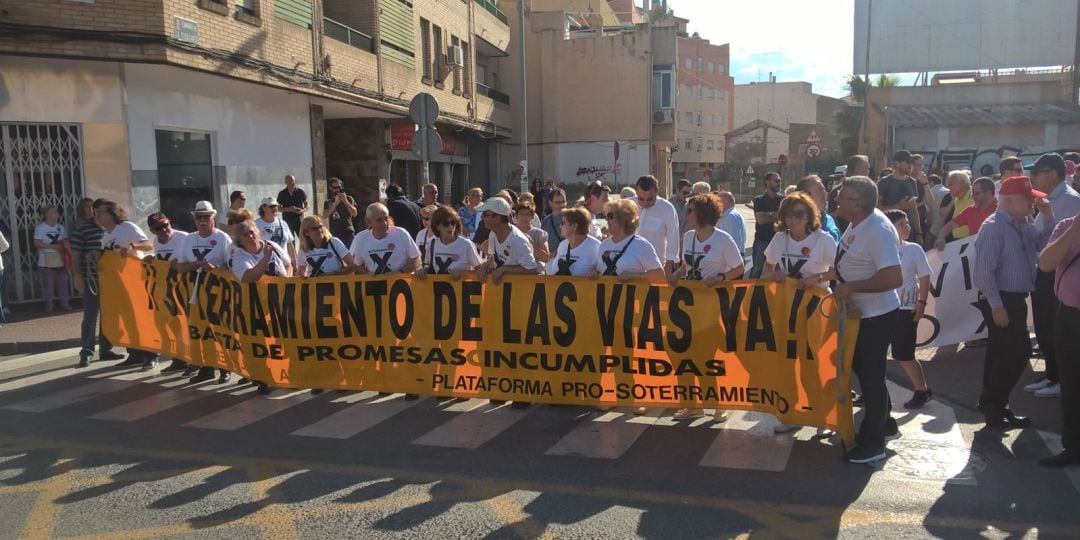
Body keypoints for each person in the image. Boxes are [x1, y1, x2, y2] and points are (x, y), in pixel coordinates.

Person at [974, 175, 1053, 430]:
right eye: (1029, 199)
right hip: (1002, 298)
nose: (1033, 204)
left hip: (1013, 298)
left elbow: (1043, 243)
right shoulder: (994, 227)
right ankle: (994, 405)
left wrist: (1048, 217)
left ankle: (994, 403)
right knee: (1013, 354)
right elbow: (984, 273)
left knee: (1005, 354)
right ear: (1011, 201)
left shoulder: (1021, 223)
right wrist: (997, 305)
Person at [833, 176, 903, 464]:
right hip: (861, 314)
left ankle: (873, 444)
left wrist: (852, 287)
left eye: (842, 197)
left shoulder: (877, 230)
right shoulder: (860, 222)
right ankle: (885, 424)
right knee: (865, 371)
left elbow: (893, 277)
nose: (837, 200)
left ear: (858, 204)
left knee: (871, 378)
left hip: (876, 316)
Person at [667, 193, 744, 422]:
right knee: (684, 356)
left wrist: (720, 277)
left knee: (708, 357)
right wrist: (676, 274)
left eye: (689, 211)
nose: (686, 215)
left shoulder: (722, 240)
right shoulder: (689, 236)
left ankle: (719, 403)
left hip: (711, 307)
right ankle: (692, 405)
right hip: (687, 307)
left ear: (701, 214)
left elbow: (739, 268)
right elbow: (686, 265)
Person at [587, 198, 664, 415]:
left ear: (623, 220)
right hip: (608, 306)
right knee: (611, 353)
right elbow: (602, 271)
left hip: (633, 308)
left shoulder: (640, 244)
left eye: (611, 216)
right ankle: (617, 393)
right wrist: (595, 273)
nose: (607, 221)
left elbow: (659, 275)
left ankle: (638, 396)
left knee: (631, 354)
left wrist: (635, 276)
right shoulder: (605, 244)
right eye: (607, 216)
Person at [1025, 153, 1080, 399]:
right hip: (1044, 269)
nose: (1032, 177)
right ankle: (1052, 374)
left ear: (1053, 174)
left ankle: (1059, 377)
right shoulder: (1049, 199)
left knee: (1053, 326)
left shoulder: (1068, 200)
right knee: (1044, 326)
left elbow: (1061, 242)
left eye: (1037, 173)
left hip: (1058, 273)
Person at [1037, 208, 1080, 466]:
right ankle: (1074, 446)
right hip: (1071, 317)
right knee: (1072, 382)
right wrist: (1074, 231)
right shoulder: (1066, 225)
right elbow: (1045, 263)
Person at [231, 215, 292, 395]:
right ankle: (264, 378)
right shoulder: (240, 256)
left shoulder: (272, 246)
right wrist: (265, 259)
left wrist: (286, 281)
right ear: (239, 240)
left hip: (280, 302)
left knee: (285, 340)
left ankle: (290, 374)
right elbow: (248, 277)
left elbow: (288, 264)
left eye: (252, 232)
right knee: (261, 344)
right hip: (256, 307)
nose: (250, 236)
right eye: (245, 235)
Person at [96, 200, 157, 371]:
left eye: (101, 212)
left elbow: (148, 244)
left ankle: (151, 354)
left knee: (140, 318)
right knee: (127, 320)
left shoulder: (127, 227)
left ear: (112, 213)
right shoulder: (105, 235)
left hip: (134, 280)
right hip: (117, 284)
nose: (98, 216)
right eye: (97, 213)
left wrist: (132, 246)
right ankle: (134, 353)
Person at [176, 201, 234, 381]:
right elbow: (180, 266)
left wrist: (213, 269)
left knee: (220, 330)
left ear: (213, 218)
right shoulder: (189, 239)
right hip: (195, 293)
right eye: (198, 217)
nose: (202, 220)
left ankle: (225, 367)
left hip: (217, 292)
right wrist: (194, 265)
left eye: (205, 217)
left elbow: (230, 267)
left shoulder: (223, 238)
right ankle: (206, 367)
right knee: (202, 331)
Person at [885, 209, 933, 409]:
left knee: (904, 354)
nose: (907, 227)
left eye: (907, 223)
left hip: (906, 308)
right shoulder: (881, 249)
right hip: (883, 307)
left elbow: (924, 277)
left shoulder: (913, 249)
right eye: (901, 224)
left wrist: (921, 303)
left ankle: (922, 390)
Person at [71, 199, 124, 366]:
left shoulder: (112, 228)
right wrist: (77, 276)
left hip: (110, 279)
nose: (101, 214)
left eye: (104, 211)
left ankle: (106, 349)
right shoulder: (83, 229)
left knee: (108, 315)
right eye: (98, 211)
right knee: (90, 316)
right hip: (91, 279)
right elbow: (75, 254)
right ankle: (86, 351)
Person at [762, 192, 836, 292]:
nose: (793, 218)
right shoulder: (779, 238)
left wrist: (816, 278)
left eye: (799, 214)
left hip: (816, 301)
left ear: (808, 216)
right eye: (789, 214)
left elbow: (841, 271)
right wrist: (773, 274)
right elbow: (768, 265)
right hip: (787, 300)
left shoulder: (823, 239)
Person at [350, 202, 421, 276]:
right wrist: (368, 274)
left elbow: (416, 258)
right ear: (368, 221)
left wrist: (400, 272)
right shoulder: (361, 239)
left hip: (400, 284)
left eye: (386, 218)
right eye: (379, 220)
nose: (384, 223)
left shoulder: (401, 234)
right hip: (375, 285)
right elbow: (357, 265)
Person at [631, 175, 681, 274]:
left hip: (655, 266)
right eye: (641, 199)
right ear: (636, 191)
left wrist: (669, 265)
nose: (645, 203)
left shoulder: (667, 208)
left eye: (650, 199)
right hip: (629, 264)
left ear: (656, 192)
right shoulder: (627, 205)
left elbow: (673, 238)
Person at [416, 207, 482, 279]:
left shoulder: (466, 245)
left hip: (461, 289)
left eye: (453, 223)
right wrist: (422, 271)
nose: (451, 226)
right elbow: (429, 268)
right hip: (437, 289)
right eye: (446, 223)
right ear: (437, 226)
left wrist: (462, 273)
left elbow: (481, 270)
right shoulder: (432, 244)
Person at [935, 177, 998, 248]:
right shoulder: (970, 210)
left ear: (988, 193)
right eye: (972, 193)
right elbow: (951, 225)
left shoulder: (1002, 210)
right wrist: (941, 237)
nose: (973, 197)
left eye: (976, 193)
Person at [877, 150, 924, 244]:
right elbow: (876, 208)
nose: (910, 165)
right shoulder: (884, 182)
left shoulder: (912, 182)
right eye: (907, 162)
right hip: (888, 230)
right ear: (897, 163)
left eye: (911, 162)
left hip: (907, 232)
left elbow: (914, 209)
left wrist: (918, 233)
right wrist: (897, 206)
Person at [34, 206, 71, 312]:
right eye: (53, 213)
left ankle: (65, 304)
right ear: (46, 215)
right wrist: (54, 247)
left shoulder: (61, 228)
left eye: (56, 213)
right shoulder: (40, 228)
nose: (56, 215)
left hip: (61, 259)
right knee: (49, 286)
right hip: (46, 261)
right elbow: (37, 243)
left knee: (63, 284)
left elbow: (65, 241)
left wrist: (64, 247)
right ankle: (49, 306)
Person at [547, 207, 601, 276]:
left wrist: (596, 273)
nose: (560, 226)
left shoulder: (595, 247)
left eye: (563, 223)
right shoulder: (562, 245)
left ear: (574, 226)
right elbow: (553, 272)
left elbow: (603, 273)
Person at [750, 172, 782, 278]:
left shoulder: (783, 200)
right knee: (757, 269)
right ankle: (751, 293)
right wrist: (776, 214)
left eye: (779, 181)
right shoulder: (759, 200)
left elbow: (785, 217)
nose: (779, 183)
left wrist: (769, 214)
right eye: (776, 181)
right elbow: (761, 220)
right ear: (768, 183)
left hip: (778, 241)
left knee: (778, 270)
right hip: (762, 240)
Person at [255, 197, 297, 272]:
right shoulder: (256, 225)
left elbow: (290, 245)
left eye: (276, 206)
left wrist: (295, 263)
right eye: (271, 206)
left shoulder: (283, 223)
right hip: (267, 267)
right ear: (263, 208)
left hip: (285, 265)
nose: (274, 208)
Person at [796, 175, 841, 241]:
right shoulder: (794, 222)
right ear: (806, 195)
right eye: (820, 190)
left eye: (824, 189)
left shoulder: (828, 219)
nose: (825, 193)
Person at [322, 177, 358, 247]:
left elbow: (354, 214)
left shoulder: (349, 198)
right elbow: (325, 216)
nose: (337, 189)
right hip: (335, 233)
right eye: (335, 188)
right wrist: (335, 204)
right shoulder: (328, 202)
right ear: (330, 188)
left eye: (339, 187)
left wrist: (345, 201)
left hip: (348, 232)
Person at [514, 201, 550, 270]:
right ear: (516, 216)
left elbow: (546, 258)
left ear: (532, 217)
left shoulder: (540, 234)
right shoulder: (510, 232)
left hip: (535, 274)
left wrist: (531, 245)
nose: (524, 217)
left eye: (527, 214)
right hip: (514, 274)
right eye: (521, 214)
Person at [716, 191, 747, 269]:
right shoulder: (727, 216)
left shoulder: (731, 217)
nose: (716, 203)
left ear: (727, 201)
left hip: (731, 261)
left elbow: (735, 241)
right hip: (730, 259)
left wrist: (731, 264)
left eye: (718, 201)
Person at [541, 187, 567, 252]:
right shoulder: (546, 221)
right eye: (557, 202)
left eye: (563, 202)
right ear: (550, 203)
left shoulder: (572, 219)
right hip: (552, 260)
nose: (561, 205)